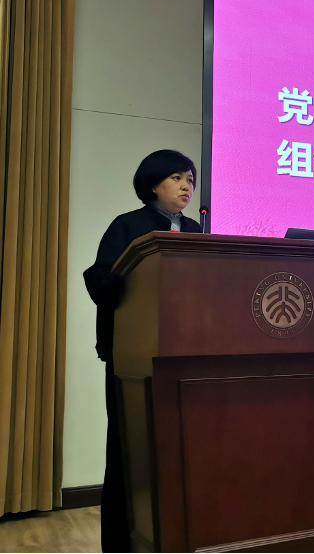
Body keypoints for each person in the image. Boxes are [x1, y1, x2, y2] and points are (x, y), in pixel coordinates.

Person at [83, 149, 201, 553]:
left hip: (187, 354)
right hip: (135, 357)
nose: (186, 186)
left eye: (190, 179)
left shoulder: (195, 229)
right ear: (152, 184)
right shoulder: (128, 225)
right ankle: (123, 543)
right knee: (129, 450)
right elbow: (101, 280)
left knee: (183, 451)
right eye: (176, 178)